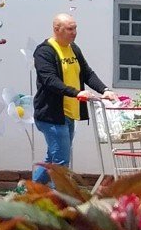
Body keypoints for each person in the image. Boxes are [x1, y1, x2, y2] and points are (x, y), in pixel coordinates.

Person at [31, 12, 107, 186]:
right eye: (69, 29)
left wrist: (105, 90)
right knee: (61, 163)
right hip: (51, 115)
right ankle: (59, 203)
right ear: (57, 29)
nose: (74, 32)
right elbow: (50, 80)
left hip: (70, 113)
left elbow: (87, 73)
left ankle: (31, 191)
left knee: (53, 158)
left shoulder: (74, 48)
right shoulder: (44, 52)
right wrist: (76, 93)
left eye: (75, 28)